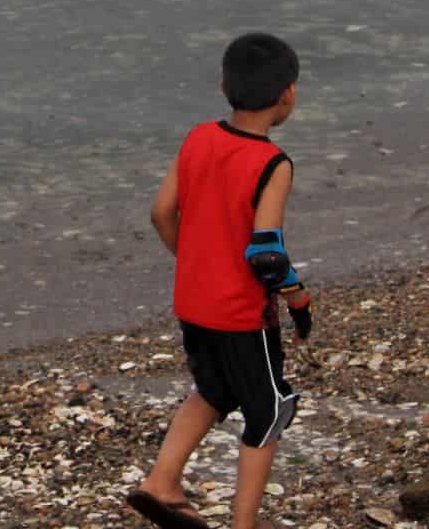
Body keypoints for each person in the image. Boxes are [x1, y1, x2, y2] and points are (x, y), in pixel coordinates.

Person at [126, 33, 313, 529]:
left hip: (194, 302)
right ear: (288, 95)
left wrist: (194, 262)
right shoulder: (273, 164)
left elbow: (161, 212)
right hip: (241, 314)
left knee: (213, 389)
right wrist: (298, 299)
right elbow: (267, 255)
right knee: (269, 410)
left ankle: (162, 482)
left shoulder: (198, 137)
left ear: (223, 86)